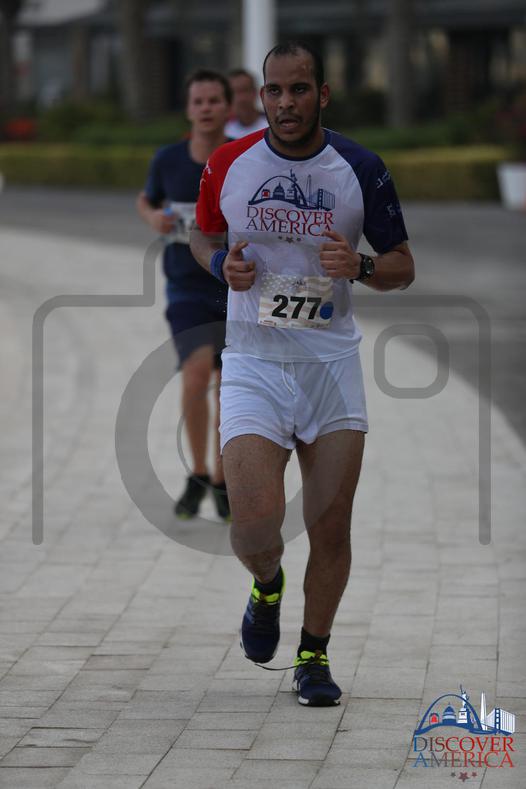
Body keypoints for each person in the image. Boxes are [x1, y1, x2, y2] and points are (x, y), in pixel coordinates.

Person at [190, 41, 414, 706]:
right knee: (254, 526)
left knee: (331, 526)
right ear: (260, 96)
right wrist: (218, 265)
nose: (286, 103)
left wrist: (363, 267)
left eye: (299, 89)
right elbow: (202, 235)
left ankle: (313, 654)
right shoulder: (230, 163)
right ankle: (267, 585)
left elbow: (402, 264)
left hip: (330, 367)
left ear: (322, 94)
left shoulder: (360, 168)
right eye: (274, 91)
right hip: (254, 362)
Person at [136, 70, 232, 522]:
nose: (206, 108)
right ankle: (197, 474)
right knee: (195, 377)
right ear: (189, 109)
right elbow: (146, 200)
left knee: (230, 389)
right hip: (185, 288)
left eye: (214, 100)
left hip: (236, 290)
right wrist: (153, 218)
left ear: (228, 108)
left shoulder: (244, 158)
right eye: (199, 101)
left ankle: (224, 480)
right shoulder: (168, 159)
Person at [224, 69, 268, 139]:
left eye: (245, 90)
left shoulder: (271, 124)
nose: (241, 98)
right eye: (234, 92)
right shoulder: (223, 129)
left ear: (255, 92)